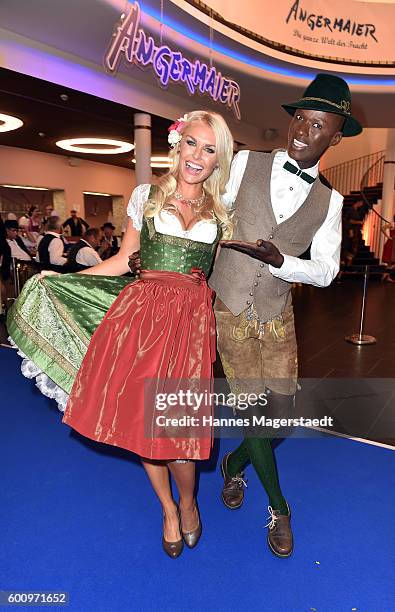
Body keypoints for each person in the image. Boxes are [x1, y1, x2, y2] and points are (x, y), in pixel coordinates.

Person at [7, 110, 234, 558]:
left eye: (210, 150)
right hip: (143, 319)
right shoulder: (146, 197)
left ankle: (189, 503)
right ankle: (168, 509)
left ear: (218, 160)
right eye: (192, 143)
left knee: (181, 441)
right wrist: (66, 278)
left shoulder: (222, 212)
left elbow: (223, 275)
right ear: (177, 143)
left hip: (188, 327)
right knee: (144, 428)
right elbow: (125, 259)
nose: (197, 156)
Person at [209, 73, 363, 558]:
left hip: (278, 317)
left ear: (334, 137)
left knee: (280, 423)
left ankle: (234, 464)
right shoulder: (243, 164)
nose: (303, 130)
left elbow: (327, 271)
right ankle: (280, 508)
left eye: (317, 125)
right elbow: (210, 216)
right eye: (299, 118)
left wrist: (284, 263)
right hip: (231, 309)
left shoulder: (331, 202)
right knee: (253, 412)